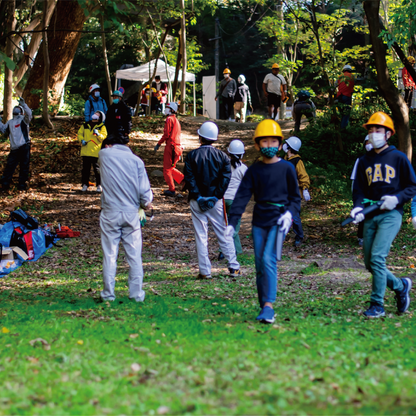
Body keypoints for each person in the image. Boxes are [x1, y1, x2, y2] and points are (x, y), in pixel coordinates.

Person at [227, 119, 301, 323]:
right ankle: (263, 305)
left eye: (273, 142)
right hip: (259, 221)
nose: (269, 146)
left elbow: (295, 199)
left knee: (269, 259)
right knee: (259, 263)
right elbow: (242, 196)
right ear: (258, 144)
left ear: (279, 144)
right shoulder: (254, 170)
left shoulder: (287, 168)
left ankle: (269, 305)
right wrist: (232, 222)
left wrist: (289, 214)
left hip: (279, 221)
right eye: (264, 142)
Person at [350, 111, 416, 318]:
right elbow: (359, 190)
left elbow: (412, 185)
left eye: (377, 130)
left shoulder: (398, 158)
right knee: (370, 263)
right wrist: (357, 207)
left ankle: (376, 304)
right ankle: (400, 286)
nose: (373, 134)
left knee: (378, 258)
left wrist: (397, 199)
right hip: (370, 214)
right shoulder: (363, 161)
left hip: (391, 214)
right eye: (370, 130)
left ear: (388, 134)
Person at [98, 134, 153, 303]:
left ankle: (108, 294)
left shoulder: (104, 155)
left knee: (110, 254)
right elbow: (145, 193)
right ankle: (136, 294)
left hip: (110, 211)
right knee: (134, 255)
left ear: (108, 144)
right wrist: (146, 204)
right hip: (131, 213)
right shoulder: (137, 161)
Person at [183, 121, 241, 279]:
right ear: (214, 139)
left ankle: (205, 271)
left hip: (197, 200)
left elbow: (189, 178)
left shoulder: (191, 156)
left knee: (201, 236)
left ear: (200, 136)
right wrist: (215, 196)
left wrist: (199, 196)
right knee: (223, 233)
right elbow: (225, 179)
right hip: (216, 202)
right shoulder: (222, 156)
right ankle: (234, 267)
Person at [218, 139, 248, 260]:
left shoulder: (223, 166)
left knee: (224, 225)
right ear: (242, 154)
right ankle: (228, 251)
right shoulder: (243, 168)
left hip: (223, 200)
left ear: (229, 153)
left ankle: (231, 250)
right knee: (234, 227)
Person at [282, 136, 310, 247]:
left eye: (287, 144)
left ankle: (299, 236)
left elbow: (303, 176)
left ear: (289, 147)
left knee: (295, 216)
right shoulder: (284, 159)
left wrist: (305, 188)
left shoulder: (297, 161)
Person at [0, 98, 32, 191]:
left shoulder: (24, 120)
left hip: (24, 146)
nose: (16, 109)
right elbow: (3, 129)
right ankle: (5, 185)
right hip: (14, 149)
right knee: (9, 167)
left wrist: (24, 104)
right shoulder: (10, 122)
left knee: (24, 167)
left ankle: (22, 186)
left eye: (18, 108)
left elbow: (29, 114)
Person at [154, 102, 184, 197]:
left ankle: (172, 189)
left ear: (172, 110)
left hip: (171, 147)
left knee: (167, 169)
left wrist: (158, 143)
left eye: (168, 107)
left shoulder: (169, 119)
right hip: (177, 147)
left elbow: (166, 134)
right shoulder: (176, 121)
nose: (166, 109)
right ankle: (184, 181)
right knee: (171, 168)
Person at [350, 135, 373, 246]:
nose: (369, 144)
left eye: (371, 141)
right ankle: (361, 237)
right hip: (363, 194)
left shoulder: (383, 160)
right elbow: (355, 179)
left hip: (375, 195)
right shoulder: (360, 160)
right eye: (367, 142)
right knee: (362, 215)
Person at [77, 111, 107, 193]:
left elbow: (103, 137)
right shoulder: (85, 125)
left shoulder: (102, 127)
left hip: (95, 152)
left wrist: (98, 135)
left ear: (100, 117)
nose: (95, 115)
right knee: (85, 169)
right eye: (94, 114)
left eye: (97, 115)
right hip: (85, 150)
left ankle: (99, 185)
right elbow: (79, 134)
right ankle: (84, 184)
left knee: (97, 169)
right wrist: (81, 140)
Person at [336, 64, 355, 129]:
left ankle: (340, 127)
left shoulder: (339, 76)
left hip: (339, 96)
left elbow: (334, 86)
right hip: (347, 96)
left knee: (341, 113)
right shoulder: (352, 76)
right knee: (346, 113)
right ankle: (343, 129)